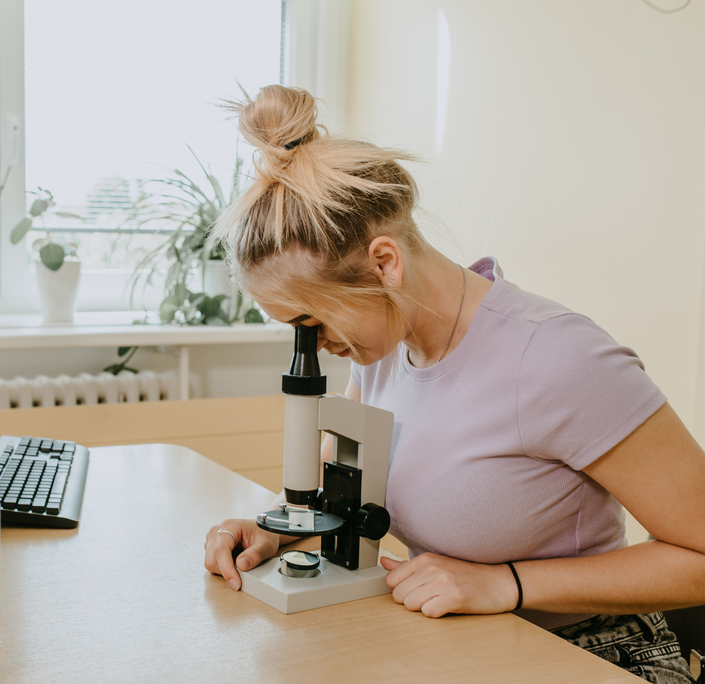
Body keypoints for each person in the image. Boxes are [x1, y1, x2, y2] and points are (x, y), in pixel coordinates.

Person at [202, 84, 704, 683]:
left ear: (385, 263)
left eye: (313, 322)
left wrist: (505, 583)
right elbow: (347, 493)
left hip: (592, 652)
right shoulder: (382, 346)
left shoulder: (558, 359)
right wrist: (274, 529)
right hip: (461, 643)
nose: (314, 347)